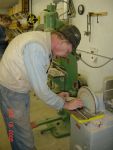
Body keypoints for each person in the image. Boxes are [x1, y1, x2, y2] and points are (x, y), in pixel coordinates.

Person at [0, 24, 83, 150]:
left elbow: (37, 79)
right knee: (22, 135)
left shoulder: (43, 41)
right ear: (62, 41)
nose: (66, 55)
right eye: (68, 51)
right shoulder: (37, 48)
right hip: (11, 93)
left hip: (17, 89)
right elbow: (41, 91)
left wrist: (56, 96)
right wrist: (65, 105)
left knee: (16, 129)